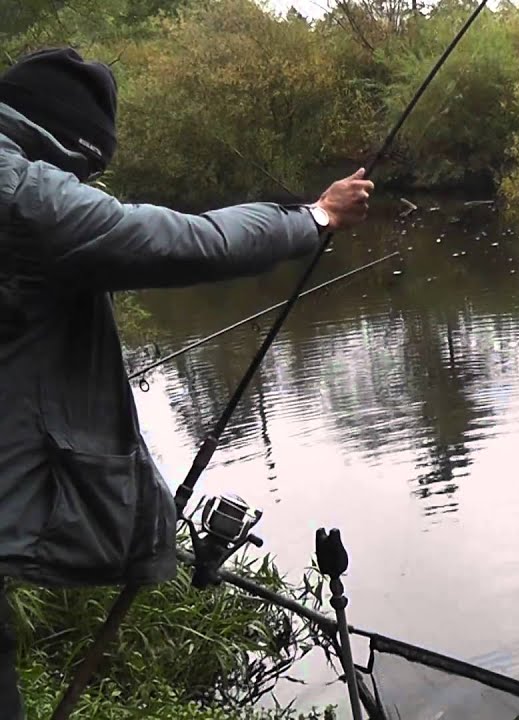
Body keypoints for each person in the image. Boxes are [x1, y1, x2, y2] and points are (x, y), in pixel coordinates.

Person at [0, 47, 375, 716]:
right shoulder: (19, 192)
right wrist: (313, 218)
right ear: (68, 147)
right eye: (86, 174)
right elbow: (182, 242)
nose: (84, 187)